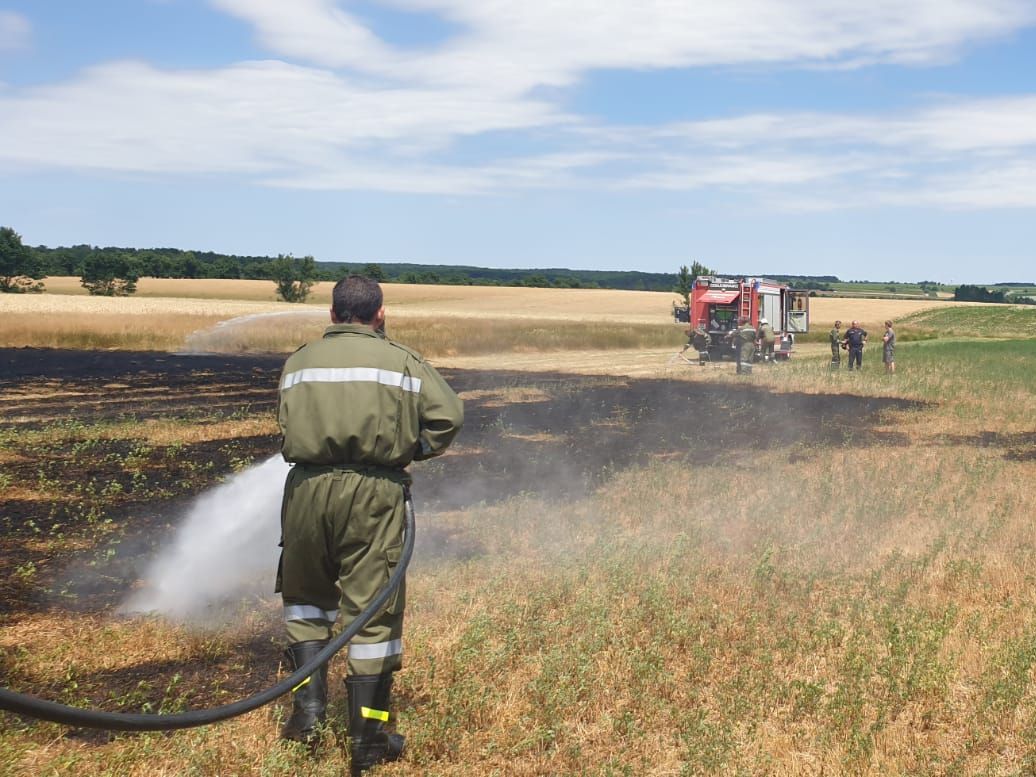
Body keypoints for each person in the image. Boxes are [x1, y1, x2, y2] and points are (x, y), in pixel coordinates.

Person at [276, 275, 464, 774]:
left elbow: (286, 423)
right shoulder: (401, 361)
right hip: (375, 494)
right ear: (380, 314)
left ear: (333, 314)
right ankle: (368, 739)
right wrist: (410, 450)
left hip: (305, 490)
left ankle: (308, 715)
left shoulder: (298, 362)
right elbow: (448, 417)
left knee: (304, 601)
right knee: (373, 616)